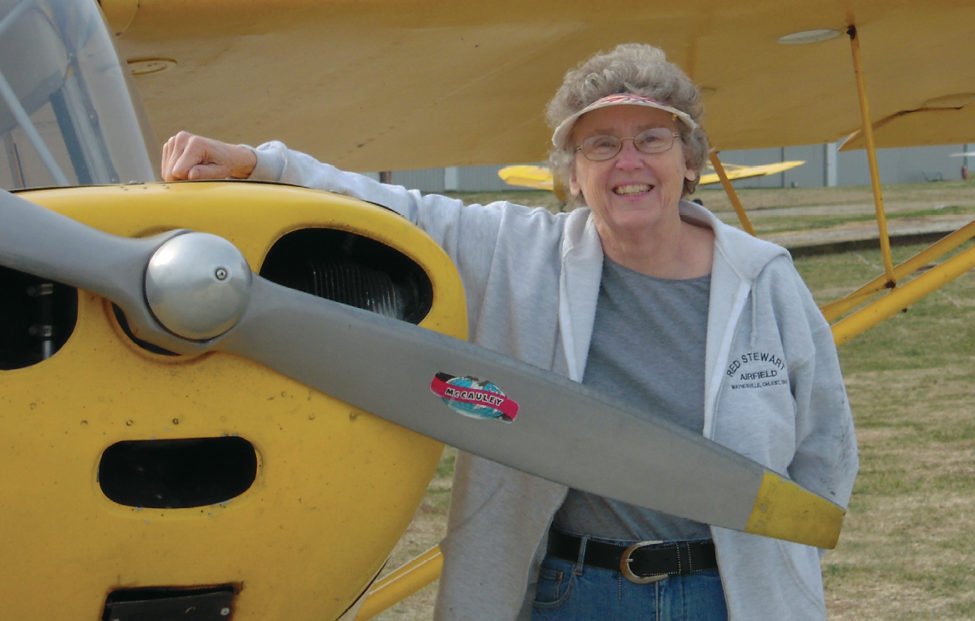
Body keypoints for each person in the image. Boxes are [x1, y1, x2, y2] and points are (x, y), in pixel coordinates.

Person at [162, 43, 858, 620]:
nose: (629, 163)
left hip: (729, 594)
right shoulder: (517, 252)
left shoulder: (764, 278)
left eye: (652, 139)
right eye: (601, 145)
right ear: (573, 175)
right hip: (578, 589)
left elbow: (823, 441)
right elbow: (395, 209)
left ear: (689, 159)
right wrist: (264, 165)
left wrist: (784, 559)